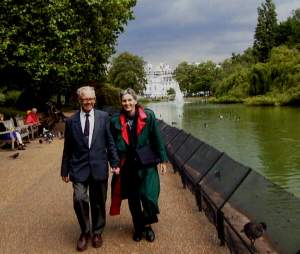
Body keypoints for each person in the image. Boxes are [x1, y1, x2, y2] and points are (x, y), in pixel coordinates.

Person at [61, 86, 119, 252]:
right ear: (80, 100)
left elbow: (110, 142)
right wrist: (64, 170)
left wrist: (114, 162)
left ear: (94, 100)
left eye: (91, 99)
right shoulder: (71, 121)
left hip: (99, 166)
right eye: (85, 99)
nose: (88, 102)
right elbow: (68, 148)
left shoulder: (103, 117)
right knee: (79, 199)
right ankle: (85, 232)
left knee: (99, 202)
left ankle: (97, 232)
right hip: (78, 168)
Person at [110, 88, 168, 242]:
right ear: (121, 102)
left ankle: (148, 226)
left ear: (135, 101)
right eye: (124, 100)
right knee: (133, 198)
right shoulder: (115, 120)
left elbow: (157, 137)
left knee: (149, 196)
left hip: (146, 162)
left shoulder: (148, 115)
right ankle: (138, 227)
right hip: (127, 164)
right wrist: (114, 162)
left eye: (130, 100)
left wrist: (162, 159)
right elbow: (112, 145)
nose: (127, 103)